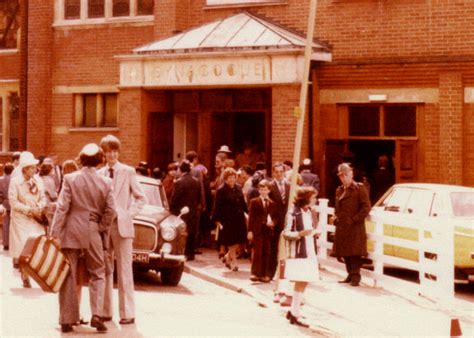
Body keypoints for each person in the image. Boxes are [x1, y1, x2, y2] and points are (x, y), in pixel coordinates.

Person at [51, 143, 116, 333]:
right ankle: (97, 314)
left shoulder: (70, 179)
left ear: (81, 159)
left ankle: (66, 318)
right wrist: (100, 227)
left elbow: (62, 207)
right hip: (93, 229)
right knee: (98, 272)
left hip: (71, 230)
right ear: (99, 160)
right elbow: (111, 210)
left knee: (68, 273)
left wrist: (54, 233)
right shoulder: (106, 182)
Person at [100, 135, 146, 325]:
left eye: (114, 151)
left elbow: (141, 198)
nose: (111, 155)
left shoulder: (128, 171)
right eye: (108, 151)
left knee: (125, 270)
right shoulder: (99, 173)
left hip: (123, 226)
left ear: (118, 152)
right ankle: (105, 311)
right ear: (103, 154)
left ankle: (127, 313)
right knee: (105, 269)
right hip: (104, 228)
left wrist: (127, 214)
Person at [283, 186, 320, 328]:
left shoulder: (309, 212)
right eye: (313, 197)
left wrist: (314, 233)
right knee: (301, 280)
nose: (315, 200)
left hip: (309, 249)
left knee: (306, 280)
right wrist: (300, 234)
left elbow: (309, 230)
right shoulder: (293, 213)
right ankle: (295, 313)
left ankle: (294, 309)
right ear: (306, 199)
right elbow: (286, 233)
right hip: (299, 251)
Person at [9, 152, 47, 288]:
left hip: (36, 218)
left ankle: (34, 272)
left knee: (36, 247)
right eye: (31, 167)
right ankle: (25, 275)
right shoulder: (15, 182)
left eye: (35, 167)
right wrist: (28, 210)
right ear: (24, 168)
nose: (34, 169)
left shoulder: (38, 181)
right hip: (21, 220)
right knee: (24, 248)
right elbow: (13, 202)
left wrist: (40, 207)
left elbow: (43, 197)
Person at [332, 163, 371, 287]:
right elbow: (337, 207)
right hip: (343, 225)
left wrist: (355, 219)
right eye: (341, 176)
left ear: (351, 174)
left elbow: (366, 207)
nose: (343, 178)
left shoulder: (359, 188)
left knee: (355, 253)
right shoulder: (339, 190)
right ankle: (349, 274)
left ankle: (355, 276)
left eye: (345, 175)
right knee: (345, 252)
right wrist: (336, 217)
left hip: (355, 226)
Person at [213, 168, 248, 271]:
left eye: (233, 178)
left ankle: (227, 257)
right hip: (227, 219)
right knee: (230, 241)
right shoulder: (221, 190)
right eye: (229, 178)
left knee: (239, 240)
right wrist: (216, 219)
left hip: (238, 218)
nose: (231, 180)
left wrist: (247, 212)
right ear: (225, 179)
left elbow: (242, 202)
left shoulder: (238, 187)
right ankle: (235, 263)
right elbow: (217, 205)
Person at [169, 160, 201, 261]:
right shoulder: (196, 181)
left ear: (181, 169)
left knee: (182, 232)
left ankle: (182, 252)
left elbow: (175, 198)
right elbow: (199, 197)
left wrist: (172, 210)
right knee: (192, 232)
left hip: (181, 211)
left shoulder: (179, 182)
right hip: (193, 210)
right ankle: (191, 253)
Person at [247, 179, 277, 282]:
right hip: (257, 230)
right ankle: (255, 273)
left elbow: (275, 216)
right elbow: (251, 217)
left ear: (269, 190)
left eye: (265, 189)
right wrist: (250, 231)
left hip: (267, 231)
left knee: (266, 252)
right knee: (257, 252)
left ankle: (265, 274)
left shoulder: (272, 203)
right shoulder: (254, 202)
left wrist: (273, 222)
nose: (263, 191)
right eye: (261, 189)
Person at [268, 162, 290, 278]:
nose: (279, 174)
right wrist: (270, 220)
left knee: (288, 248)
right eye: (277, 172)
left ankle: (286, 273)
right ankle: (271, 273)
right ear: (273, 172)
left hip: (287, 222)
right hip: (275, 221)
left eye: (281, 171)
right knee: (273, 248)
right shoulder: (270, 186)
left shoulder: (289, 185)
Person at [37, 158, 58, 226]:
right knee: (49, 224)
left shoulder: (37, 178)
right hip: (48, 205)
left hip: (38, 204)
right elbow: (53, 195)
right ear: (49, 170)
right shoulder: (49, 180)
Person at [0, 162, 14, 251]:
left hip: (5, 202)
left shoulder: (1, 179)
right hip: (13, 202)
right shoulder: (14, 179)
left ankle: (5, 243)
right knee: (14, 224)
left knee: (5, 223)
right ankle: (12, 242)